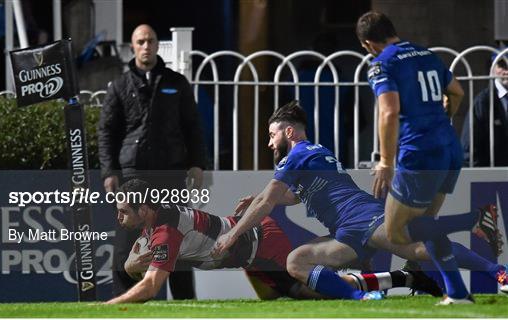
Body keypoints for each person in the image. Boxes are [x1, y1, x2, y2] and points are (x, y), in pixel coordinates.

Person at [212, 101, 505, 304]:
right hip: (346, 231)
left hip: (363, 217)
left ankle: (496, 270)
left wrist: (232, 234)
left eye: (272, 135)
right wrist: (263, 199)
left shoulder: (298, 154)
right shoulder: (314, 153)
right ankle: (363, 296)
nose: (269, 143)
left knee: (418, 249)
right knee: (296, 261)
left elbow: (267, 200)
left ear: (289, 132)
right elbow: (289, 196)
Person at [105, 179, 446, 304]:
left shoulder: (165, 231)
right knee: (291, 296)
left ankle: (404, 276)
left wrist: (110, 307)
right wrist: (135, 262)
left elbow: (149, 286)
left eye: (123, 212)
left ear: (145, 210)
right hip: (249, 256)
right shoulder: (155, 223)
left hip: (262, 242)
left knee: (311, 288)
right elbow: (132, 266)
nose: (119, 218)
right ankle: (390, 272)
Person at [355, 11, 487, 304]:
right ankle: (457, 293)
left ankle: (470, 219)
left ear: (368, 44)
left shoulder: (382, 64)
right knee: (427, 224)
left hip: (419, 153)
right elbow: (457, 92)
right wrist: (444, 117)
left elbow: (389, 112)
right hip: (449, 147)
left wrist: (386, 162)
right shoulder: (426, 54)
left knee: (396, 232)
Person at [98, 24, 207, 299]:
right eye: (140, 41)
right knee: (126, 243)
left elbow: (192, 126)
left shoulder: (176, 82)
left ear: (158, 45)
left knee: (178, 239)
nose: (146, 46)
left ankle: (185, 302)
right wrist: (110, 171)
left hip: (170, 173)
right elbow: (107, 131)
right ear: (132, 47)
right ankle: (124, 301)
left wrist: (197, 163)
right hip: (132, 175)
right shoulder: (119, 86)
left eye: (150, 41)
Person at [462, 55, 508, 167]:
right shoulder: (483, 102)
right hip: (494, 177)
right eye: (502, 65)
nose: (507, 70)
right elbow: (470, 148)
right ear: (492, 69)